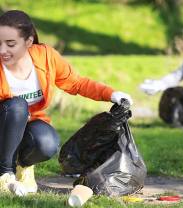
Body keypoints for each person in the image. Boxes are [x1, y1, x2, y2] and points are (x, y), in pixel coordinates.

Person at [0, 10, 133, 196]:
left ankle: (23, 167)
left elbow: (76, 83)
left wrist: (111, 94)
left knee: (48, 143)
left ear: (28, 42)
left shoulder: (46, 57)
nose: (2, 50)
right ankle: (4, 175)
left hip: (27, 126)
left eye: (10, 44)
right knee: (17, 106)